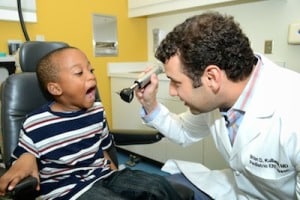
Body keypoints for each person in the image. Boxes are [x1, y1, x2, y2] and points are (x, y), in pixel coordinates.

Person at [135, 11, 300, 200]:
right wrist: (150, 104)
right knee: (161, 190)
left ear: (212, 77)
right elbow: (184, 131)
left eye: (176, 83)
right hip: (240, 190)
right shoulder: (217, 99)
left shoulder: (293, 111)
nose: (172, 91)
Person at [0, 46, 190, 200]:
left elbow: (106, 149)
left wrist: (119, 180)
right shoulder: (35, 123)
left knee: (158, 186)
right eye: (79, 73)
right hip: (68, 191)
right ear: (55, 88)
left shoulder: (97, 110)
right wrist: (24, 161)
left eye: (90, 70)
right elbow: (24, 157)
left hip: (103, 176)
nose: (91, 76)